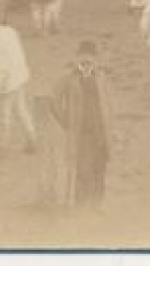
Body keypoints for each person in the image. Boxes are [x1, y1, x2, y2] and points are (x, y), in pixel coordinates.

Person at [48, 41, 115, 208]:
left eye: (90, 58)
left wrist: (110, 123)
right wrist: (66, 121)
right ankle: (81, 206)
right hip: (81, 133)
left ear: (95, 59)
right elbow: (53, 99)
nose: (86, 61)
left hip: (101, 131)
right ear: (78, 58)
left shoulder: (101, 77)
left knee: (100, 168)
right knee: (83, 169)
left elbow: (109, 102)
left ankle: (97, 204)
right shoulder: (70, 78)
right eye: (83, 58)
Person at [0, 12, 38, 155]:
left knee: (4, 112)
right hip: (20, 74)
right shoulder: (9, 31)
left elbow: (0, 67)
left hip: (9, 81)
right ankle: (32, 137)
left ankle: (2, 146)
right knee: (20, 108)